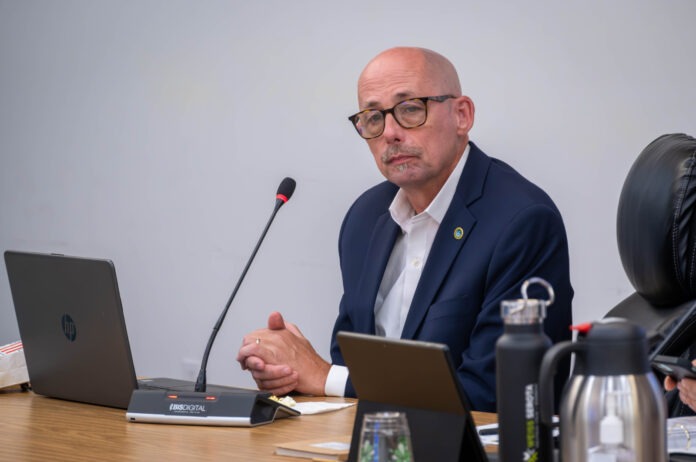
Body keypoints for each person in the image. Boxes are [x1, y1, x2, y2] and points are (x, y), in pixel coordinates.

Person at [236, 46, 573, 412]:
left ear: (462, 115)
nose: (390, 133)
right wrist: (291, 372)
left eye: (410, 108)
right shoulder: (365, 218)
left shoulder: (521, 222)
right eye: (373, 118)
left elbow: (494, 395)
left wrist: (324, 377)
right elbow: (352, 367)